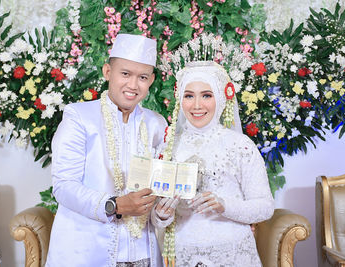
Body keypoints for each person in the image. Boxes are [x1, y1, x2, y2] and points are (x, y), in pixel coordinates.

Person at [46, 34, 166, 267]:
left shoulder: (156, 124)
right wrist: (116, 204)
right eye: (125, 74)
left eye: (142, 77)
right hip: (88, 252)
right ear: (107, 72)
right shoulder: (79, 117)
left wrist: (163, 210)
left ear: (151, 80)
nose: (133, 85)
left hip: (144, 253)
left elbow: (161, 189)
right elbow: (63, 186)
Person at [151, 61, 274, 267]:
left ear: (220, 98)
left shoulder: (240, 145)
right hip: (182, 255)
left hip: (233, 254)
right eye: (189, 96)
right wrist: (161, 214)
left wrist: (224, 205)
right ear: (180, 99)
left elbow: (265, 207)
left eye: (206, 95)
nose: (197, 105)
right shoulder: (168, 145)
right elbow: (156, 215)